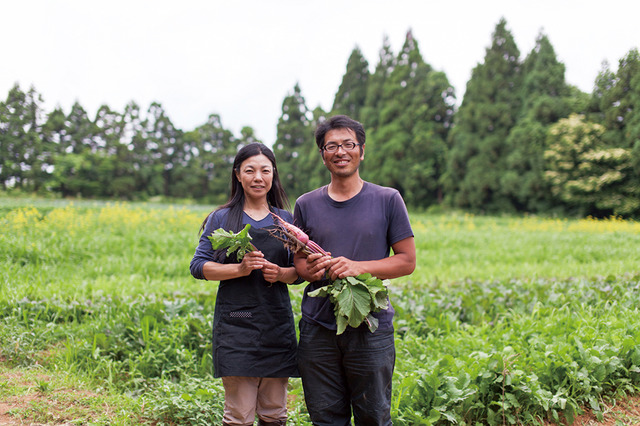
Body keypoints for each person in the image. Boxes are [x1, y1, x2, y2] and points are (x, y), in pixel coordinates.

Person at [293, 115, 416, 425]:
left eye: (349, 144)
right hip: (318, 326)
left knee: (373, 417)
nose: (340, 152)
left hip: (370, 326)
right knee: (325, 419)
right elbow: (298, 264)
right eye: (331, 146)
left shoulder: (388, 199)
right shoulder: (306, 204)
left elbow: (406, 261)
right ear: (322, 154)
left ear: (362, 150)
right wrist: (315, 268)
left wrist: (356, 267)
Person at [190, 142, 300, 426]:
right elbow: (199, 266)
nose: (258, 177)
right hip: (237, 323)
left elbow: (299, 272)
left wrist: (282, 274)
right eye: (250, 170)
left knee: (275, 413)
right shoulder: (222, 218)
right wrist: (239, 269)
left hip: (276, 323)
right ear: (238, 174)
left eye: (265, 170)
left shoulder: (286, 220)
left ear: (273, 175)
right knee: (238, 415)